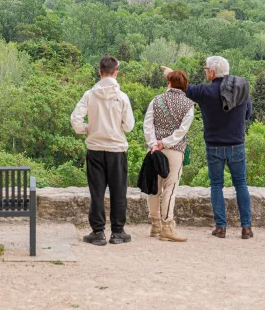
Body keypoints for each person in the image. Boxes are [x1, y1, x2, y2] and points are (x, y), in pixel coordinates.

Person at [162, 56, 254, 240]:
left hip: (214, 145)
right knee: (241, 184)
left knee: (216, 185)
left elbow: (181, 87)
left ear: (212, 72)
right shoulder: (242, 90)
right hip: (237, 144)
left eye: (206, 69)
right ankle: (246, 228)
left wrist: (169, 74)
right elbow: (248, 114)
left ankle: (221, 227)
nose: (205, 72)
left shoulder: (204, 92)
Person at [71, 55, 135, 246]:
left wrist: (87, 129)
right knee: (118, 192)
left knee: (97, 192)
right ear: (116, 72)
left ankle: (98, 232)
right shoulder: (122, 97)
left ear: (99, 71)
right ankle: (117, 232)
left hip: (95, 148)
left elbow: (76, 120)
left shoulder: (89, 95)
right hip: (116, 149)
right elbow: (129, 126)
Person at [143, 69, 194, 242]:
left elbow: (147, 124)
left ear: (169, 83)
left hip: (154, 151)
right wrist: (166, 142)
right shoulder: (188, 105)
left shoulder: (156, 100)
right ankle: (167, 226)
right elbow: (182, 131)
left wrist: (154, 144)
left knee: (154, 188)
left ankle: (155, 224)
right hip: (174, 150)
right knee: (170, 188)